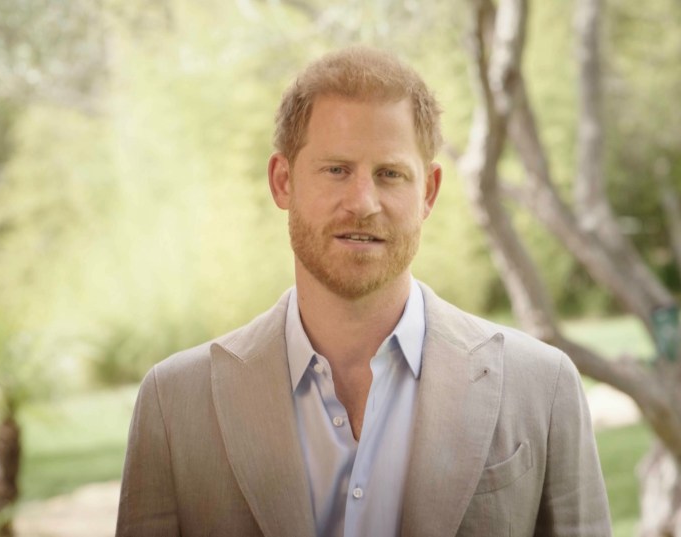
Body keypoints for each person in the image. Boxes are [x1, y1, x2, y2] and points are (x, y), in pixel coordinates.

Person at [116, 47, 612, 537]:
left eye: (390, 174)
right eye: (336, 170)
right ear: (283, 181)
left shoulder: (542, 388)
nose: (363, 203)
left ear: (429, 193)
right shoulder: (174, 404)